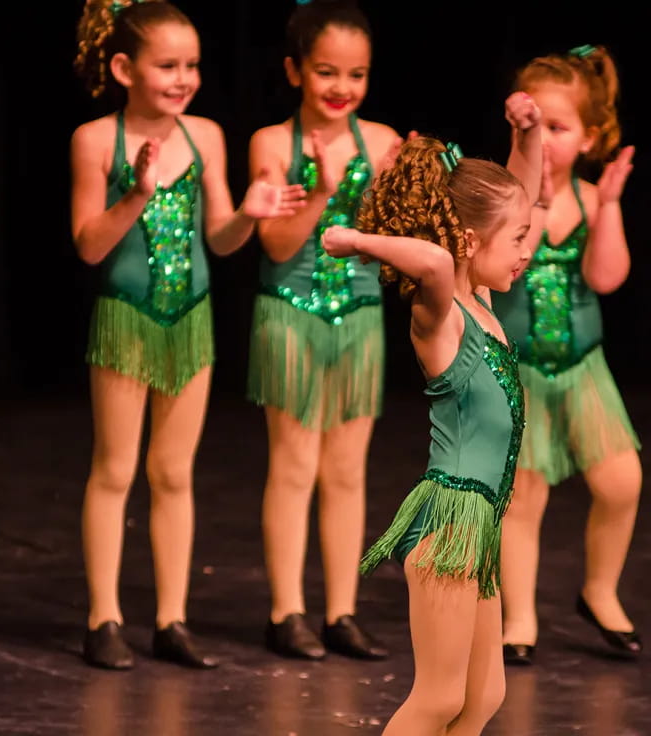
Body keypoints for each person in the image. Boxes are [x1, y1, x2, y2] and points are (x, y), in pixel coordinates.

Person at [71, 0, 302, 669]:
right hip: (126, 320)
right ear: (123, 68)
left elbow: (220, 239)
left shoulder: (205, 136)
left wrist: (251, 215)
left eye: (192, 65)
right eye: (167, 65)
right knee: (115, 469)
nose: (184, 78)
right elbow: (89, 247)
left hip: (191, 320)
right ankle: (103, 617)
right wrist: (135, 194)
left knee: (173, 472)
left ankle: (172, 619)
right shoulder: (95, 140)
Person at [337, 93, 541, 736]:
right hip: (451, 521)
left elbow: (523, 195)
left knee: (483, 698)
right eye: (517, 240)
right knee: (439, 698)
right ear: (471, 240)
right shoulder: (444, 316)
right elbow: (429, 258)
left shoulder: (480, 300)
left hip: (478, 528)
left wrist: (529, 134)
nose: (526, 251)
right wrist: (353, 238)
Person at [246, 0, 404, 660]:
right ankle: (287, 611)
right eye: (326, 72)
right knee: (295, 466)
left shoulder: (384, 142)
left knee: (346, 471)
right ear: (294, 71)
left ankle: (342, 610)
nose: (342, 88)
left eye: (356, 74)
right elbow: (277, 246)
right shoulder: (272, 144)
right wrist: (321, 191)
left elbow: (395, 238)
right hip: (291, 313)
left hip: (360, 318)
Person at [491, 44, 643, 666]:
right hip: (519, 369)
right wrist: (527, 167)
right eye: (537, 126)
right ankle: (519, 613)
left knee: (621, 482)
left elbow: (607, 279)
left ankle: (599, 589)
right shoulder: (508, 198)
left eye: (560, 128)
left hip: (582, 367)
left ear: (591, 137)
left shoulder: (588, 198)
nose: (548, 141)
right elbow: (503, 266)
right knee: (523, 497)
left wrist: (607, 208)